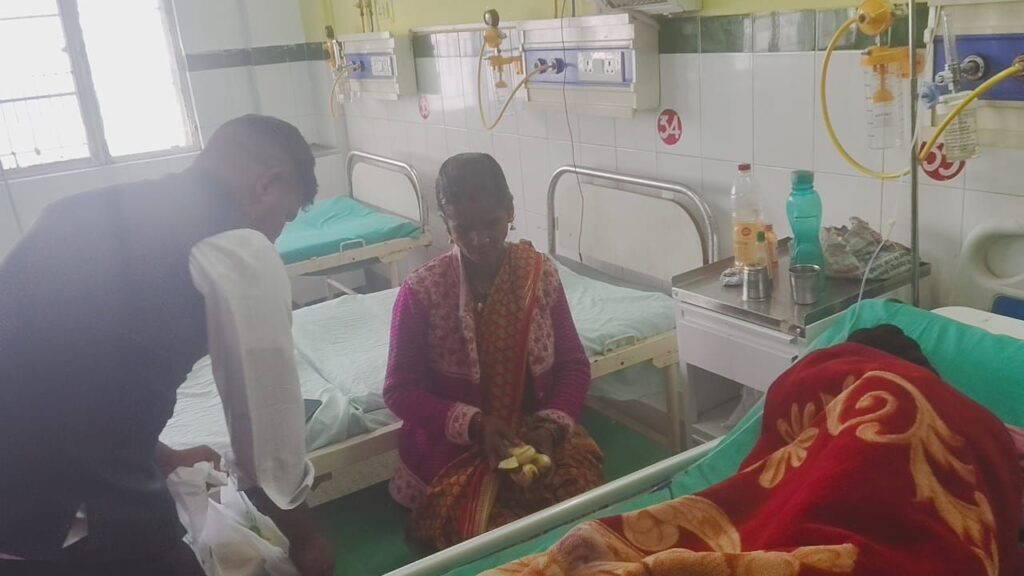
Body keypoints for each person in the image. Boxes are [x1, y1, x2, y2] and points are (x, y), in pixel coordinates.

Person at [0, 115, 334, 575]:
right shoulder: (237, 246)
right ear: (266, 187)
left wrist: (163, 456)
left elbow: (60, 365)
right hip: (57, 512)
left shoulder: (77, 211)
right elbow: (267, 446)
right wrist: (308, 543)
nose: (277, 234)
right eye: (285, 217)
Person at [383, 152, 604, 550]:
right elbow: (399, 391)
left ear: (511, 211)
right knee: (492, 537)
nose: (479, 239)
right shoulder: (422, 291)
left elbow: (573, 365)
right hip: (456, 447)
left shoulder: (539, 274)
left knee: (581, 509)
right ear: (446, 223)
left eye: (491, 224)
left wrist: (550, 427)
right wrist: (474, 424)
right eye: (462, 228)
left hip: (533, 430)